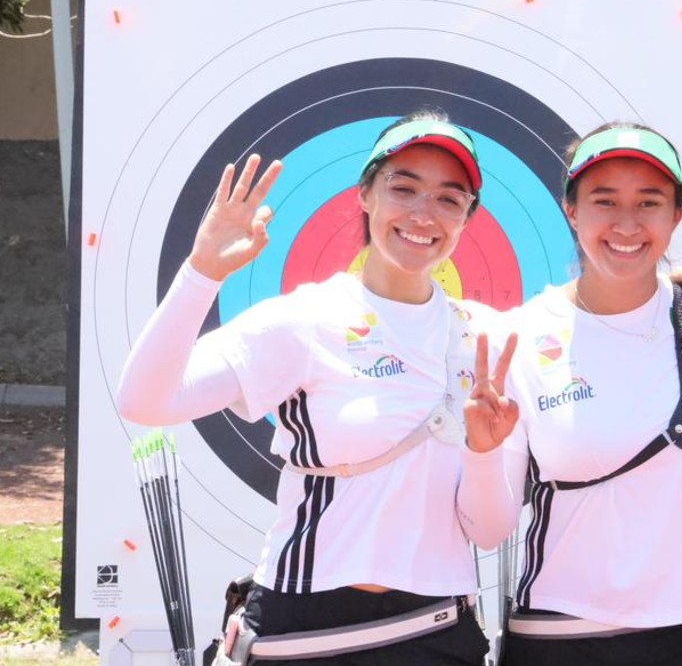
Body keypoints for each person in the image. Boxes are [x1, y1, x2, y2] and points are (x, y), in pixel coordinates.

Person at [116, 111, 500, 664]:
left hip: (437, 628)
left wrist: (672, 296)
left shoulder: (486, 334)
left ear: (468, 216)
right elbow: (145, 401)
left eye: (448, 197)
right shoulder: (305, 319)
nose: (423, 213)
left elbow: (595, 323)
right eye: (404, 187)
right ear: (365, 194)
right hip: (305, 624)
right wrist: (203, 271)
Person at [456, 123, 682, 666]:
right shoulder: (516, 338)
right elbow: (487, 528)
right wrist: (480, 452)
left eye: (649, 202)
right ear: (571, 211)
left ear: (677, 216)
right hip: (561, 638)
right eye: (604, 200)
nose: (627, 223)